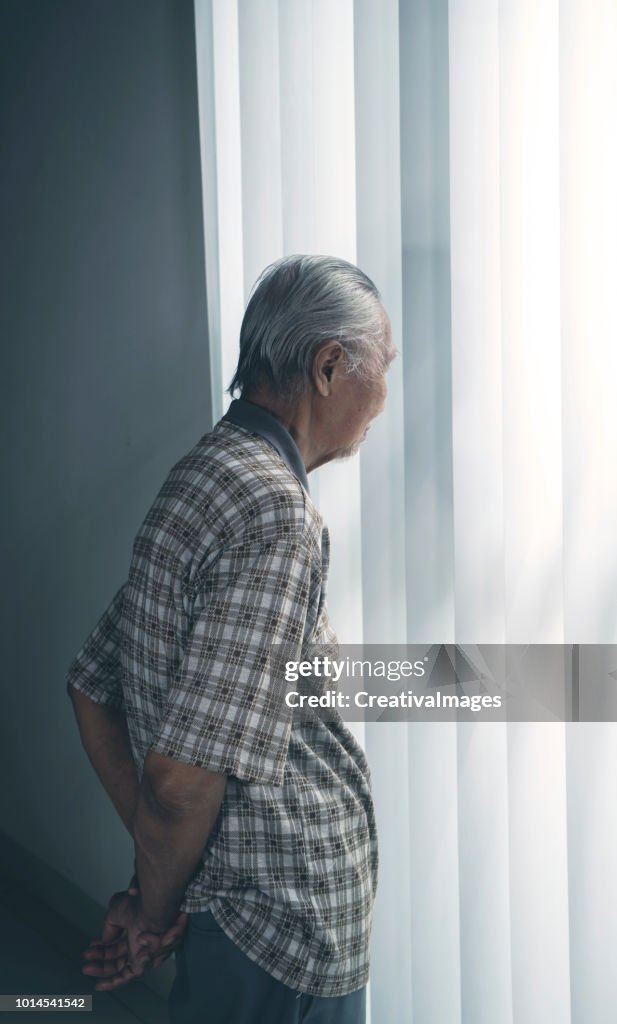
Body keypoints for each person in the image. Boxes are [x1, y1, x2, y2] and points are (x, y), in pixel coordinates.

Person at [66, 254, 395, 1024]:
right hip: (280, 923)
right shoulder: (276, 511)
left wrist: (158, 888)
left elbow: (91, 685)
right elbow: (180, 779)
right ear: (327, 366)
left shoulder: (202, 473)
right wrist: (155, 904)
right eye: (385, 365)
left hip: (230, 914)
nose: (383, 396)